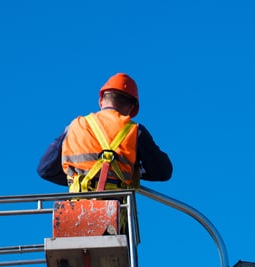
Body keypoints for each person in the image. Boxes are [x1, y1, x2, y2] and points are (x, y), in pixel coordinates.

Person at [37, 73, 172, 191]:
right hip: (116, 211)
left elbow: (45, 169)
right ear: (131, 108)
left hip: (76, 211)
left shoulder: (74, 126)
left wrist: (81, 180)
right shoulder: (135, 131)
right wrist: (133, 172)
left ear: (101, 100)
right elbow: (163, 171)